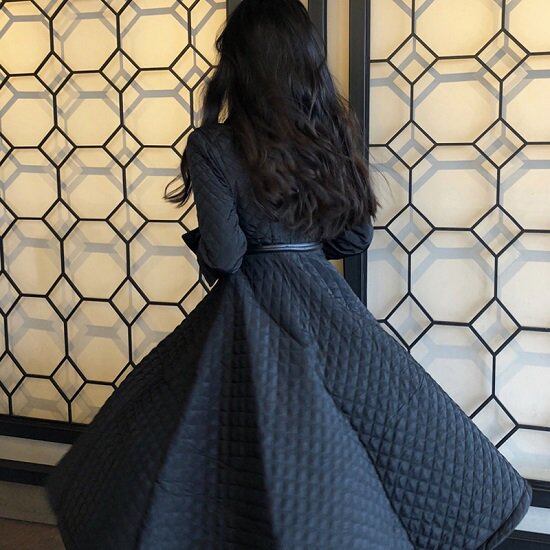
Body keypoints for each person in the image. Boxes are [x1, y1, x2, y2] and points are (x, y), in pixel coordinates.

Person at [45, 1, 531, 548]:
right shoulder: (331, 136)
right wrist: (302, 243)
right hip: (327, 309)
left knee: (190, 450)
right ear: (306, 60)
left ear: (237, 65)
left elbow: (226, 257)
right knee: (368, 447)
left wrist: (224, 245)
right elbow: (354, 239)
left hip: (247, 313)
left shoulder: (213, 145)